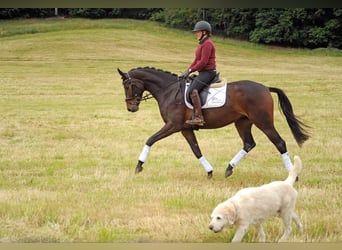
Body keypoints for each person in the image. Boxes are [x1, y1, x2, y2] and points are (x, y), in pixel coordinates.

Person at [180, 20, 217, 126]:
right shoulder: (202, 44)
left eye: (198, 32)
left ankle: (198, 117)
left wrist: (191, 70)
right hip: (203, 72)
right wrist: (187, 70)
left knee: (192, 91)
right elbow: (196, 61)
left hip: (208, 72)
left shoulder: (207, 44)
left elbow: (203, 62)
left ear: (204, 32)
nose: (196, 33)